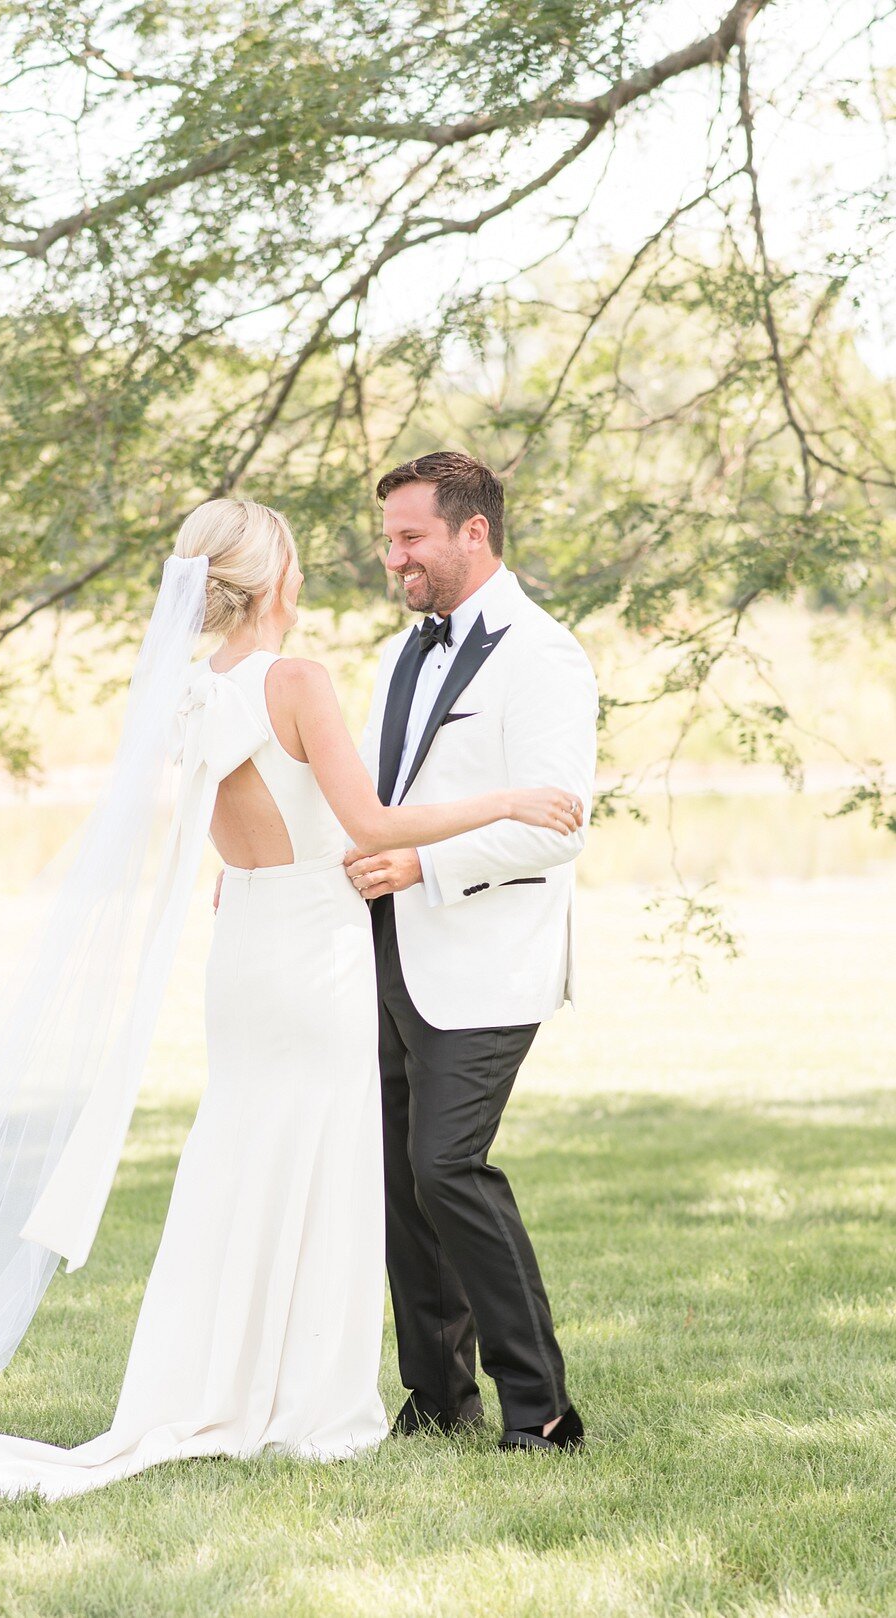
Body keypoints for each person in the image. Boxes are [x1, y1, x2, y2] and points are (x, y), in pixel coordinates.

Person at [0, 497, 582, 1498]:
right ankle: (308, 1394)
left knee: (243, 1155)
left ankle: (227, 1378)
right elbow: (367, 821)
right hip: (315, 949)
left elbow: (226, 833)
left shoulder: (190, 692)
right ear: (278, 582)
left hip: (248, 947)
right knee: (326, 1167)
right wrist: (510, 797)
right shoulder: (299, 679)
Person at [345, 452, 598, 1453]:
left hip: (488, 954)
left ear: (472, 532)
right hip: (388, 948)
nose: (394, 555)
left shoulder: (544, 656)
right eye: (389, 539)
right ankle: (437, 1397)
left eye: (410, 537)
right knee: (404, 1179)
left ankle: (540, 1406)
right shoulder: (401, 650)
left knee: (448, 1166)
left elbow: (558, 826)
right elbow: (371, 797)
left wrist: (423, 867)